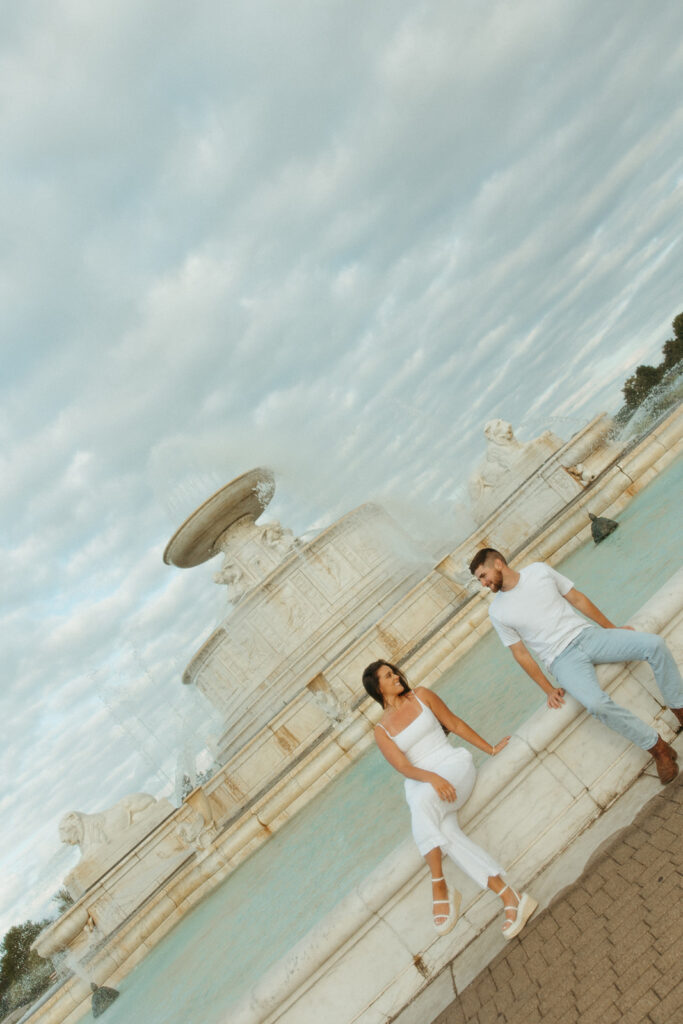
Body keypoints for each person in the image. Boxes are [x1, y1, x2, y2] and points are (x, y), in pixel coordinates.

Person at [469, 549, 682, 784]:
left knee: (654, 645)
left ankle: (680, 710)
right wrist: (548, 689)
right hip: (561, 660)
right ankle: (658, 749)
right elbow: (520, 653)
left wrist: (611, 628)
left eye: (483, 575)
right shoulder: (497, 612)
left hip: (587, 636)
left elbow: (577, 598)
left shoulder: (539, 571)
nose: (483, 583)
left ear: (498, 563)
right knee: (596, 704)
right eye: (480, 579)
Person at [362, 660, 537, 939]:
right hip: (424, 781)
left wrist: (490, 749)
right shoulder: (381, 731)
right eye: (387, 675)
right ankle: (510, 897)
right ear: (378, 688)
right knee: (446, 832)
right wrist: (431, 778)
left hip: (453, 766)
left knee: (421, 806)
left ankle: (439, 884)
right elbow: (405, 768)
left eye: (393, 671)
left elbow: (453, 723)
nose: (395, 676)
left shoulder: (422, 695)